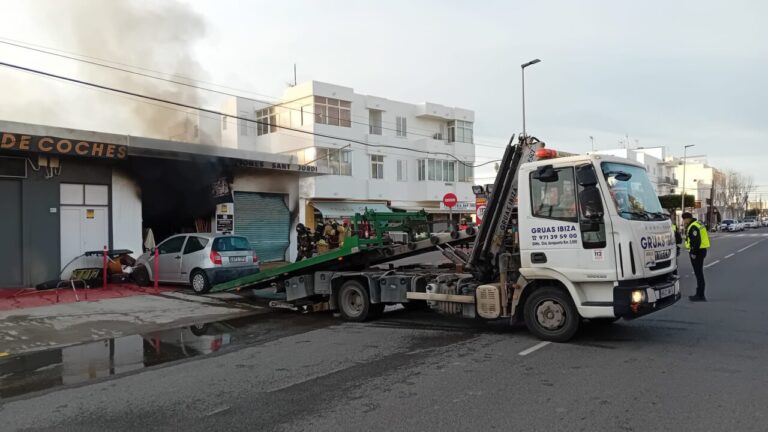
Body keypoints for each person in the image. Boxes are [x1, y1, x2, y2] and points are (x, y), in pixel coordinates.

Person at [682, 212, 710, 301]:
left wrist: (693, 253)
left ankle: (700, 295)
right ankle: (699, 294)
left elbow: (696, 241)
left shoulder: (693, 226)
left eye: (684, 219)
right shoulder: (698, 223)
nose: (683, 221)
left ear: (687, 219)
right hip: (702, 250)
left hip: (697, 252)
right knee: (699, 273)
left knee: (699, 274)